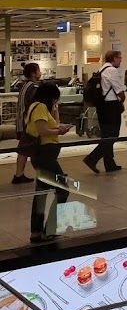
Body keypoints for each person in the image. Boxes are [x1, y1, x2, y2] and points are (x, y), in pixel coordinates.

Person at [25, 81, 71, 243]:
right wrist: (59, 131)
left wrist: (56, 114)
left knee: (41, 192)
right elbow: (43, 130)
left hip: (43, 156)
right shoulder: (39, 107)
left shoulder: (39, 107)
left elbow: (53, 126)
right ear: (50, 96)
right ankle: (49, 229)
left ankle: (36, 232)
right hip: (44, 156)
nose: (55, 101)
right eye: (54, 98)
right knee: (63, 189)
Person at [84, 50, 125, 175]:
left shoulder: (101, 69)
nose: (121, 60)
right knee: (113, 135)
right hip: (111, 107)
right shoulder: (112, 70)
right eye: (119, 57)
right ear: (114, 58)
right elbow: (119, 90)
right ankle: (92, 158)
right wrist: (122, 98)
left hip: (102, 106)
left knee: (107, 135)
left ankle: (109, 163)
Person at [12, 61, 41, 185]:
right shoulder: (34, 88)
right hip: (28, 124)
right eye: (38, 70)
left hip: (21, 122)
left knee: (25, 149)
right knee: (27, 149)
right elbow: (35, 106)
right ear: (34, 73)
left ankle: (19, 175)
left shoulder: (24, 86)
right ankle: (20, 175)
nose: (40, 73)